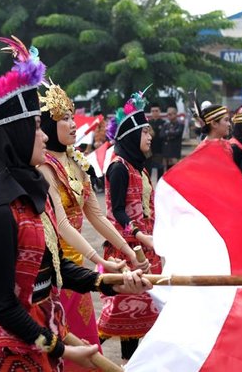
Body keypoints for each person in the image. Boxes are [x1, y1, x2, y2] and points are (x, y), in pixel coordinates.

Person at [0, 37, 150, 371]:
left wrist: (106, 280)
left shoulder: (22, 196)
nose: (43, 136)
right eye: (36, 127)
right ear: (13, 136)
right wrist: (59, 347)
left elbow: (50, 270)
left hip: (35, 332)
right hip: (4, 350)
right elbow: (0, 304)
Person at [37, 82, 152, 371]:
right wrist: (100, 261)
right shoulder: (43, 166)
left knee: (89, 349)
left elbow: (97, 216)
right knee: (61, 355)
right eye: (64, 118)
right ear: (48, 126)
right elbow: (61, 223)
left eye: (72, 117)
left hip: (78, 275)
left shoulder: (77, 162)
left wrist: (129, 250)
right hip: (55, 272)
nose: (73, 125)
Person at [98, 90, 163, 364]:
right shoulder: (119, 167)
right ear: (131, 137)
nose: (150, 137)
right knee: (118, 311)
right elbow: (116, 211)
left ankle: (129, 363)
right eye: (145, 132)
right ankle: (81, 351)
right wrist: (139, 237)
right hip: (126, 248)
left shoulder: (140, 168)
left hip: (145, 247)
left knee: (138, 312)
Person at [145, 103, 165, 179]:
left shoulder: (163, 123)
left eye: (156, 111)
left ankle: (159, 189)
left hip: (159, 151)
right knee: (148, 171)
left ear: (159, 112)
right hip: (149, 151)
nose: (154, 113)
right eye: (153, 111)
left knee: (160, 171)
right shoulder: (147, 123)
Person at [160, 106, 183, 171]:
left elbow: (177, 134)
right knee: (167, 171)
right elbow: (161, 135)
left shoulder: (180, 124)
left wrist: (167, 133)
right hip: (166, 152)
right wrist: (170, 134)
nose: (168, 116)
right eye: (168, 114)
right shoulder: (166, 125)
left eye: (170, 114)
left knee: (175, 171)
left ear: (175, 114)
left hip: (175, 152)